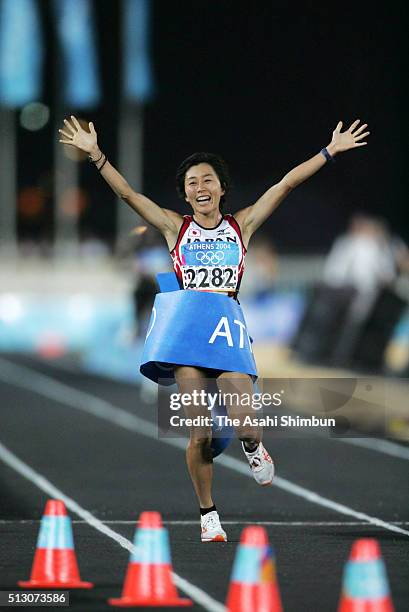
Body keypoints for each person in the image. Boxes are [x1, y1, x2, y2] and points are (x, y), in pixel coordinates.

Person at [59, 116, 370, 542]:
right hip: (187, 335)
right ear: (184, 193)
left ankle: (252, 446)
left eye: (207, 180)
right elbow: (128, 193)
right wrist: (96, 155)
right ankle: (208, 514)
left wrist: (329, 151)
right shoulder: (175, 227)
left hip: (226, 331)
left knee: (245, 422)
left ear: (221, 188)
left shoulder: (240, 225)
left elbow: (285, 184)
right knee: (199, 432)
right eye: (191, 182)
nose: (200, 187)